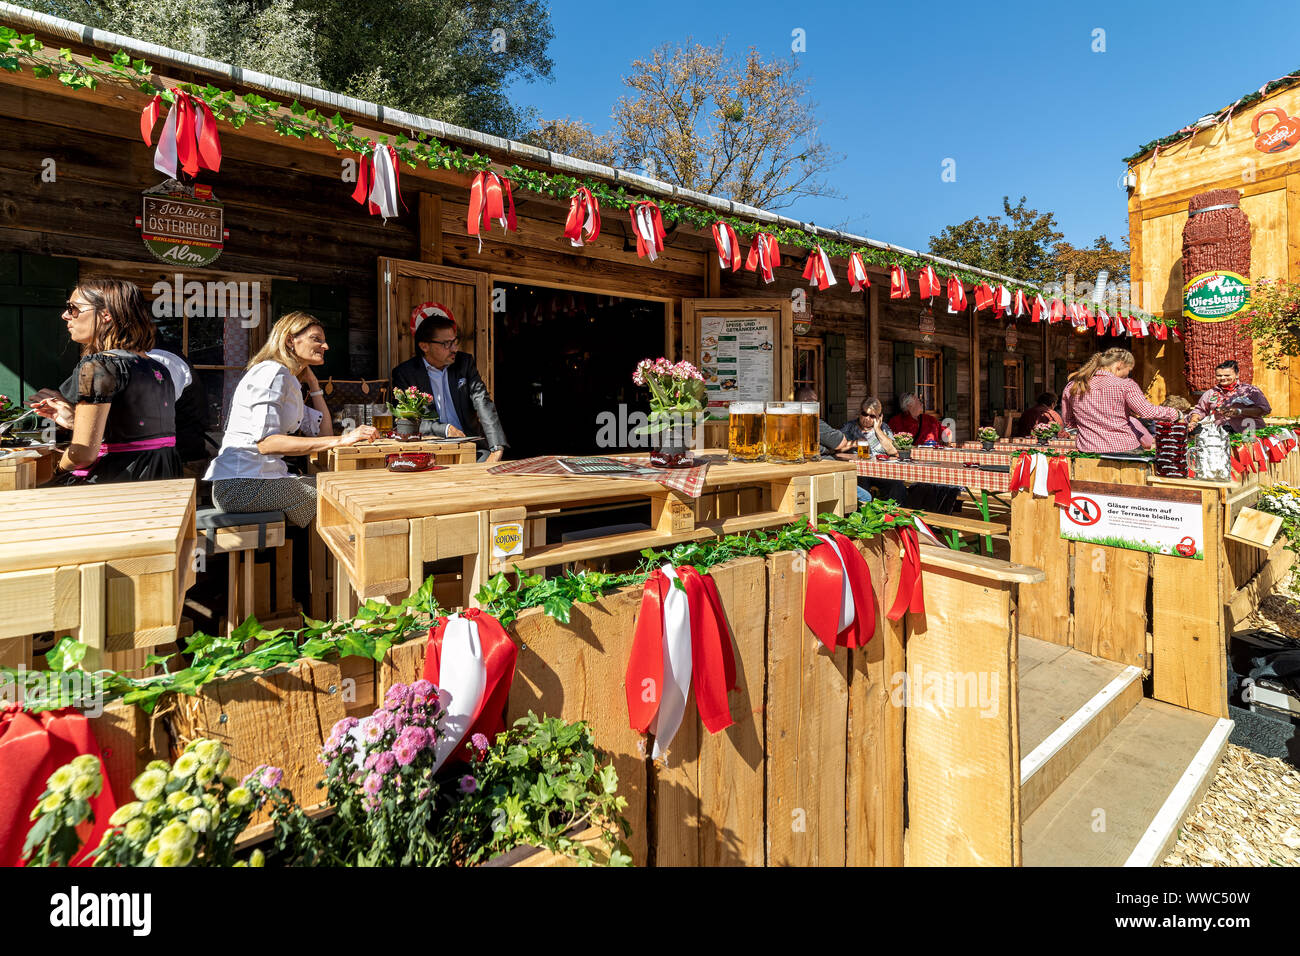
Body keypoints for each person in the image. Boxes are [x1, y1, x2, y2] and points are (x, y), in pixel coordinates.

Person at [205, 311, 377, 527]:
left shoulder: (288, 379)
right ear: (289, 340)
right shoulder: (272, 373)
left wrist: (314, 387)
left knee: (340, 488)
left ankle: (330, 557)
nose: (325, 346)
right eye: (317, 339)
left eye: (324, 341)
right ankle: (344, 557)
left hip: (261, 480)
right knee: (345, 493)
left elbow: (324, 435)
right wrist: (343, 440)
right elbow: (268, 444)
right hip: (241, 486)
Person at [25, 277, 180, 484]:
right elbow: (135, 435)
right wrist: (74, 421)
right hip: (161, 481)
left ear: (106, 314)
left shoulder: (99, 366)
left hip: (115, 485)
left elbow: (82, 455)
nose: (65, 315)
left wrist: (56, 469)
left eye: (73, 308)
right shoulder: (158, 369)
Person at [391, 315, 507, 462]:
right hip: (426, 450)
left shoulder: (464, 363)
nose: (454, 349)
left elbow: (482, 401)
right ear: (424, 346)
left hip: (471, 447)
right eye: (447, 344)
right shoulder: (405, 374)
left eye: (455, 341)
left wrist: (497, 447)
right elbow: (404, 421)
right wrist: (444, 429)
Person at [1059, 348, 1180, 453]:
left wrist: (1092, 425)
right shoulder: (1125, 385)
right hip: (1124, 449)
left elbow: (1069, 422)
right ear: (1120, 365)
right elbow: (1146, 411)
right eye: (1129, 370)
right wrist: (1175, 413)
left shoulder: (1072, 387)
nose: (1128, 374)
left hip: (1088, 450)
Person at [839, 397, 908, 505]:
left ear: (879, 417)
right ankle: (864, 517)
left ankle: (894, 515)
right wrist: (854, 443)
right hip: (858, 471)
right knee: (862, 485)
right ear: (859, 412)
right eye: (864, 414)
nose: (867, 418)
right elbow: (837, 447)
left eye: (872, 416)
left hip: (880, 472)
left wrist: (877, 430)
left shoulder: (884, 428)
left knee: (897, 485)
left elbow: (893, 451)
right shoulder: (849, 427)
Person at [1188, 360, 1271, 433]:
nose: (1223, 378)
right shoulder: (1211, 393)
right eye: (1219, 376)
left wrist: (1239, 411)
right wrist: (1193, 420)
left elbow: (1264, 409)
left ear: (1237, 374)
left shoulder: (1250, 391)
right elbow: (1200, 410)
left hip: (1249, 433)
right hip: (1220, 433)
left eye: (1227, 375)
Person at [889, 392, 953, 445]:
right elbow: (891, 442)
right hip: (912, 457)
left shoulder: (930, 419)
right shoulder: (896, 422)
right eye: (918, 401)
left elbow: (947, 432)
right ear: (909, 405)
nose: (921, 403)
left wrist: (947, 444)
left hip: (933, 456)